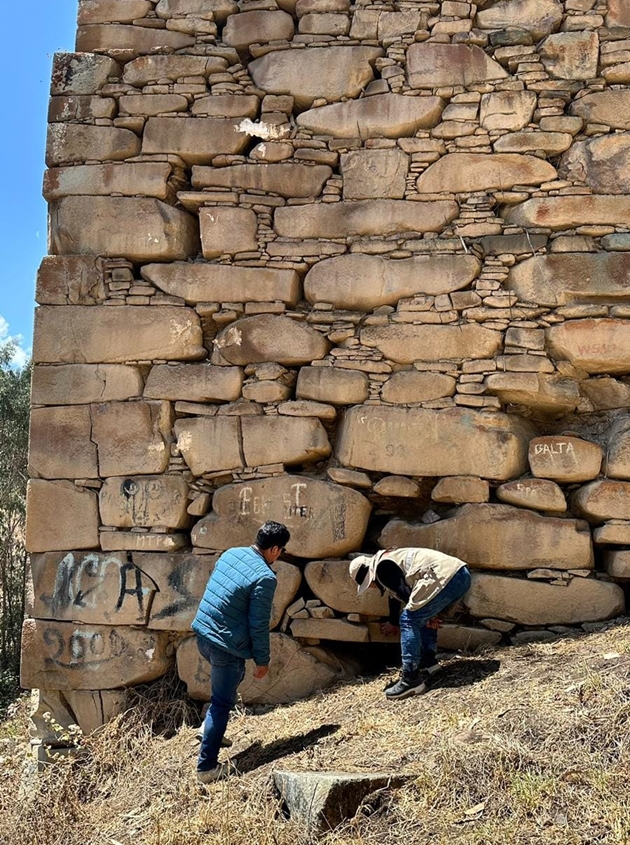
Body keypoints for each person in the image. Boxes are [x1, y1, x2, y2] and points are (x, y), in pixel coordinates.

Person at [192, 520, 290, 784]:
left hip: (203, 634)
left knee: (231, 682)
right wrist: (262, 660)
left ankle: (209, 729)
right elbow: (258, 624)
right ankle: (206, 768)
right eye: (281, 551)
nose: (279, 555)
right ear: (275, 549)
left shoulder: (231, 553)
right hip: (225, 646)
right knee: (222, 704)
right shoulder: (265, 577)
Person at [349, 547, 471, 700]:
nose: (371, 587)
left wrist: (425, 617)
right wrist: (422, 617)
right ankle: (429, 664)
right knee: (417, 617)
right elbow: (397, 596)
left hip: (446, 577)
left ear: (370, 574)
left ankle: (410, 679)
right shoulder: (388, 560)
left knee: (409, 620)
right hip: (460, 574)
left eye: (368, 584)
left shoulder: (382, 567)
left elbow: (407, 596)